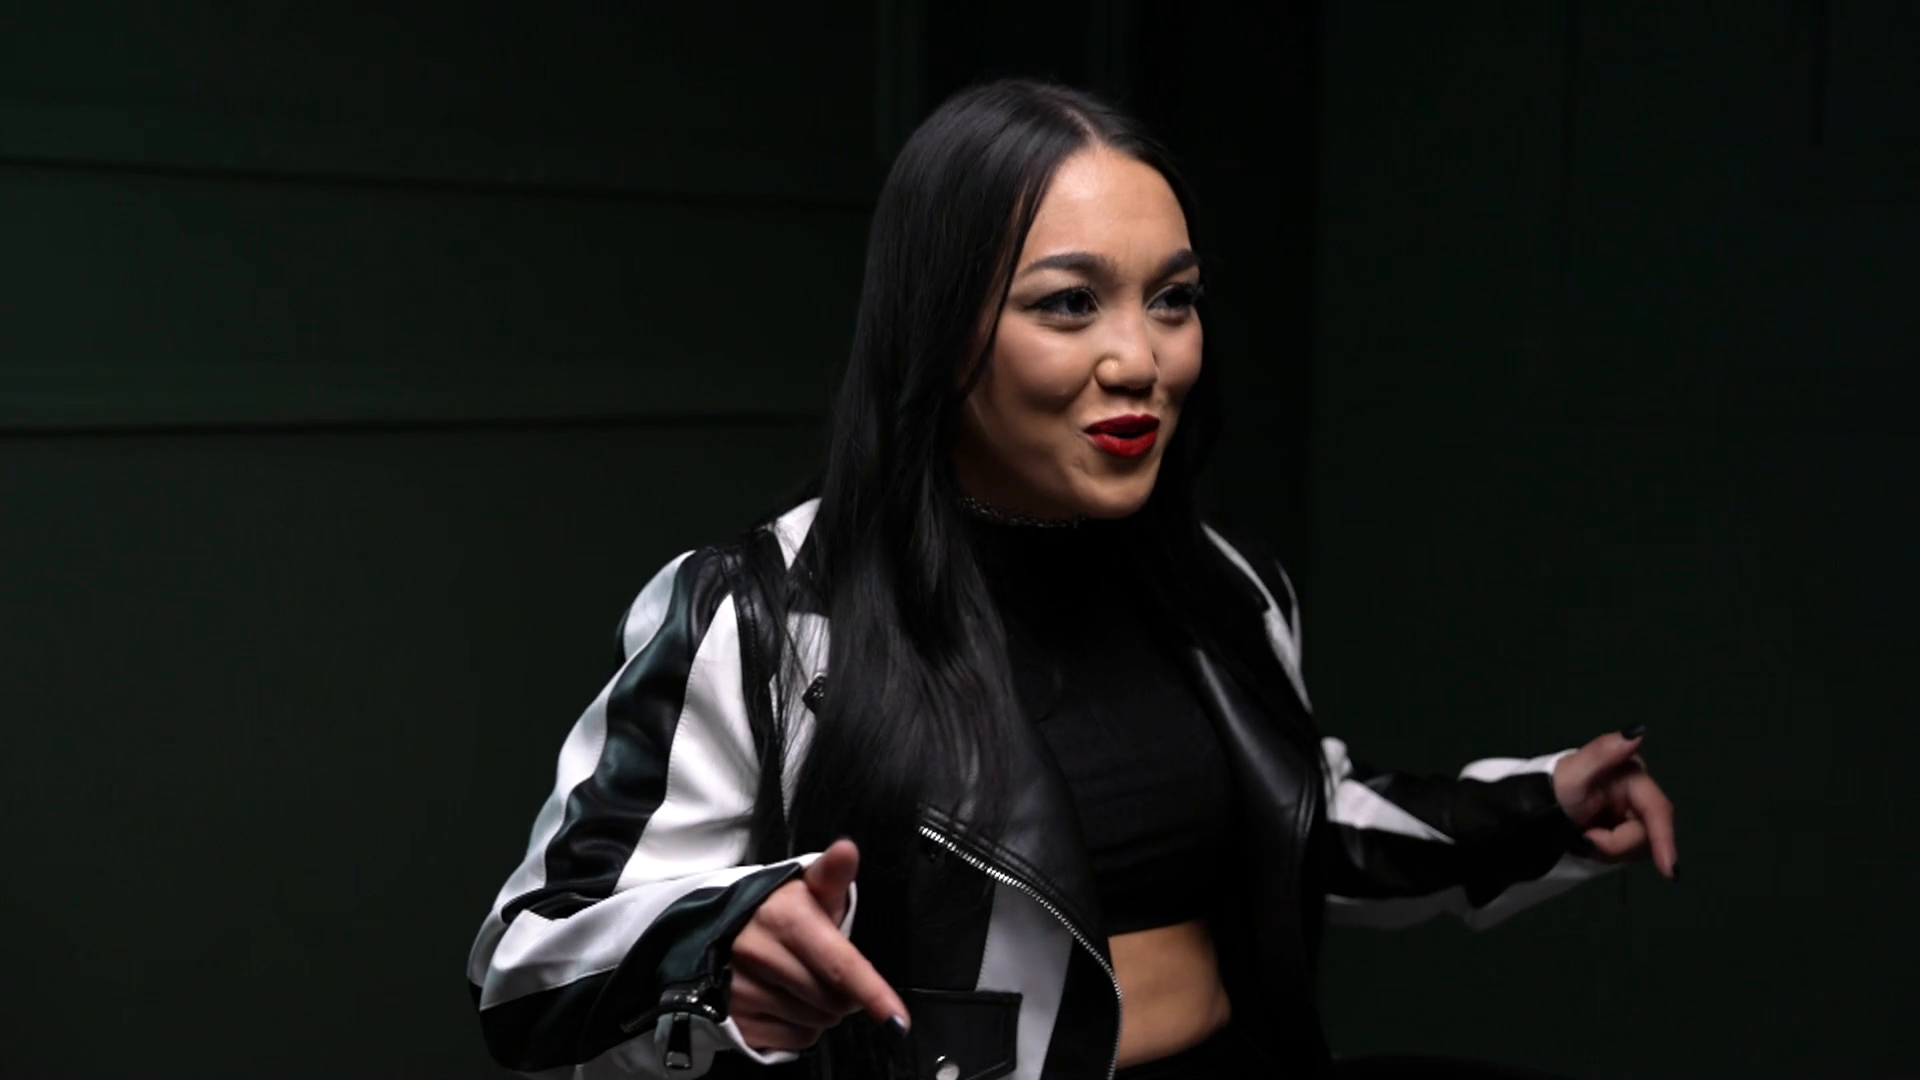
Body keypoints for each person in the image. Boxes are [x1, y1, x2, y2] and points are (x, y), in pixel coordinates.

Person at [466, 79, 1679, 1080]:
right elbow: (529, 965)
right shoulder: (768, 613)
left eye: (1174, 301)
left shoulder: (1226, 584)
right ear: (942, 330)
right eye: (1070, 304)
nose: (1139, 358)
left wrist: (1538, 808)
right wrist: (719, 947)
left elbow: (1304, 823)